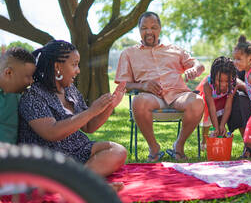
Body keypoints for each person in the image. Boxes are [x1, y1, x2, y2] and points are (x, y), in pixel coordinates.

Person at [18, 40, 127, 190]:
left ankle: (79, 182)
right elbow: (52, 132)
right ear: (57, 67)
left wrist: (110, 106)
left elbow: (89, 126)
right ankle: (85, 185)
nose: (78, 70)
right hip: (49, 158)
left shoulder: (70, 91)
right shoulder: (33, 96)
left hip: (77, 151)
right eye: (74, 64)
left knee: (118, 151)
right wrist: (91, 111)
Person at [115, 11, 205, 161]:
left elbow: (199, 65)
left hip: (178, 95)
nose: (149, 31)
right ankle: (154, 148)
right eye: (144, 28)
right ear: (139, 30)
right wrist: (143, 85)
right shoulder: (129, 53)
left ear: (160, 29)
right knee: (138, 101)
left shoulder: (175, 50)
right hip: (152, 97)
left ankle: (179, 145)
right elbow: (123, 85)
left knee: (197, 101)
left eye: (153, 27)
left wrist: (194, 68)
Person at [196, 56, 251, 157]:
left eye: (226, 81)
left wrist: (222, 125)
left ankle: (249, 146)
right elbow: (211, 107)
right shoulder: (208, 84)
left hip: (225, 98)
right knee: (208, 120)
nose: (223, 84)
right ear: (214, 77)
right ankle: (204, 141)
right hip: (212, 100)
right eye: (220, 81)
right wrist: (216, 127)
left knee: (221, 122)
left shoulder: (232, 83)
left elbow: (228, 106)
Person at [0, 47, 35, 144]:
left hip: (12, 156)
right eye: (28, 76)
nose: (31, 81)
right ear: (9, 73)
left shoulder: (19, 98)